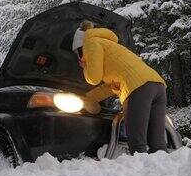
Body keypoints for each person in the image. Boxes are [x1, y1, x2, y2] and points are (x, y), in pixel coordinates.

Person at [72, 20, 168, 154]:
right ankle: (163, 172)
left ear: (79, 47)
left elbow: (94, 78)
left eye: (78, 54)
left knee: (137, 144)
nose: (80, 58)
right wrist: (89, 98)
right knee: (158, 144)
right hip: (158, 85)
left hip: (137, 88)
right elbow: (111, 86)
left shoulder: (90, 42)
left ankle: (141, 173)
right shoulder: (111, 46)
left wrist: (85, 66)